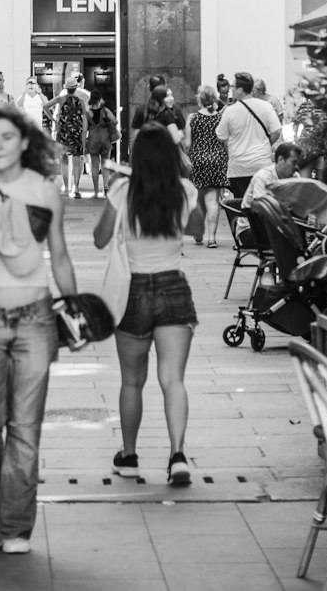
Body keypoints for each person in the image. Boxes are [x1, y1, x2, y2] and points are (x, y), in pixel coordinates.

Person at [0, 103, 77, 556]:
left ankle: (16, 527)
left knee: (25, 426)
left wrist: (74, 308)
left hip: (36, 319)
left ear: (24, 141)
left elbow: (59, 255)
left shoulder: (45, 190)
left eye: (8, 137)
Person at [93, 123, 203, 486]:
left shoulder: (124, 190)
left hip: (133, 292)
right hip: (173, 287)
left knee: (132, 381)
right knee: (173, 380)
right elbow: (198, 230)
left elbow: (99, 239)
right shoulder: (184, 190)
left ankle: (129, 456)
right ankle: (178, 456)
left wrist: (115, 196)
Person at [215, 70, 282, 199]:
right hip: (262, 165)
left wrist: (232, 151)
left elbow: (221, 136)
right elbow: (277, 131)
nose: (231, 90)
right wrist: (266, 145)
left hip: (239, 168)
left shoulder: (230, 111)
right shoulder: (266, 107)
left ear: (240, 90)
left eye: (233, 87)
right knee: (262, 205)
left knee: (242, 207)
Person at [183, 86, 228, 246]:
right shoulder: (220, 118)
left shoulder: (193, 118)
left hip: (198, 160)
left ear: (200, 100)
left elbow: (187, 144)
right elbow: (224, 141)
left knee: (199, 200)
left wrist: (186, 159)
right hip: (217, 160)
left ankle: (198, 233)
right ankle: (212, 238)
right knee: (213, 200)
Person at [47, 77, 90, 196]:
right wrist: (84, 133)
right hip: (76, 131)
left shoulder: (60, 99)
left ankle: (66, 186)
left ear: (66, 88)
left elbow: (45, 106)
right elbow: (84, 118)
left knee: (64, 159)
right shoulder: (80, 101)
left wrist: (54, 120)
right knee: (77, 159)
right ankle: (75, 187)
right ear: (76, 88)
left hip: (63, 131)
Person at [242, 141, 301, 209]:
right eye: (293, 162)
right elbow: (261, 208)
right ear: (280, 159)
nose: (297, 167)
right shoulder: (263, 177)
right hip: (254, 218)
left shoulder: (295, 177)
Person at [85, 89, 119, 196]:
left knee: (95, 165)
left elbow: (84, 130)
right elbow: (115, 121)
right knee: (105, 164)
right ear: (99, 100)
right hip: (105, 138)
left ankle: (95, 192)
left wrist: (83, 144)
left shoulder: (87, 113)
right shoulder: (105, 111)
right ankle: (106, 188)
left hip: (93, 139)